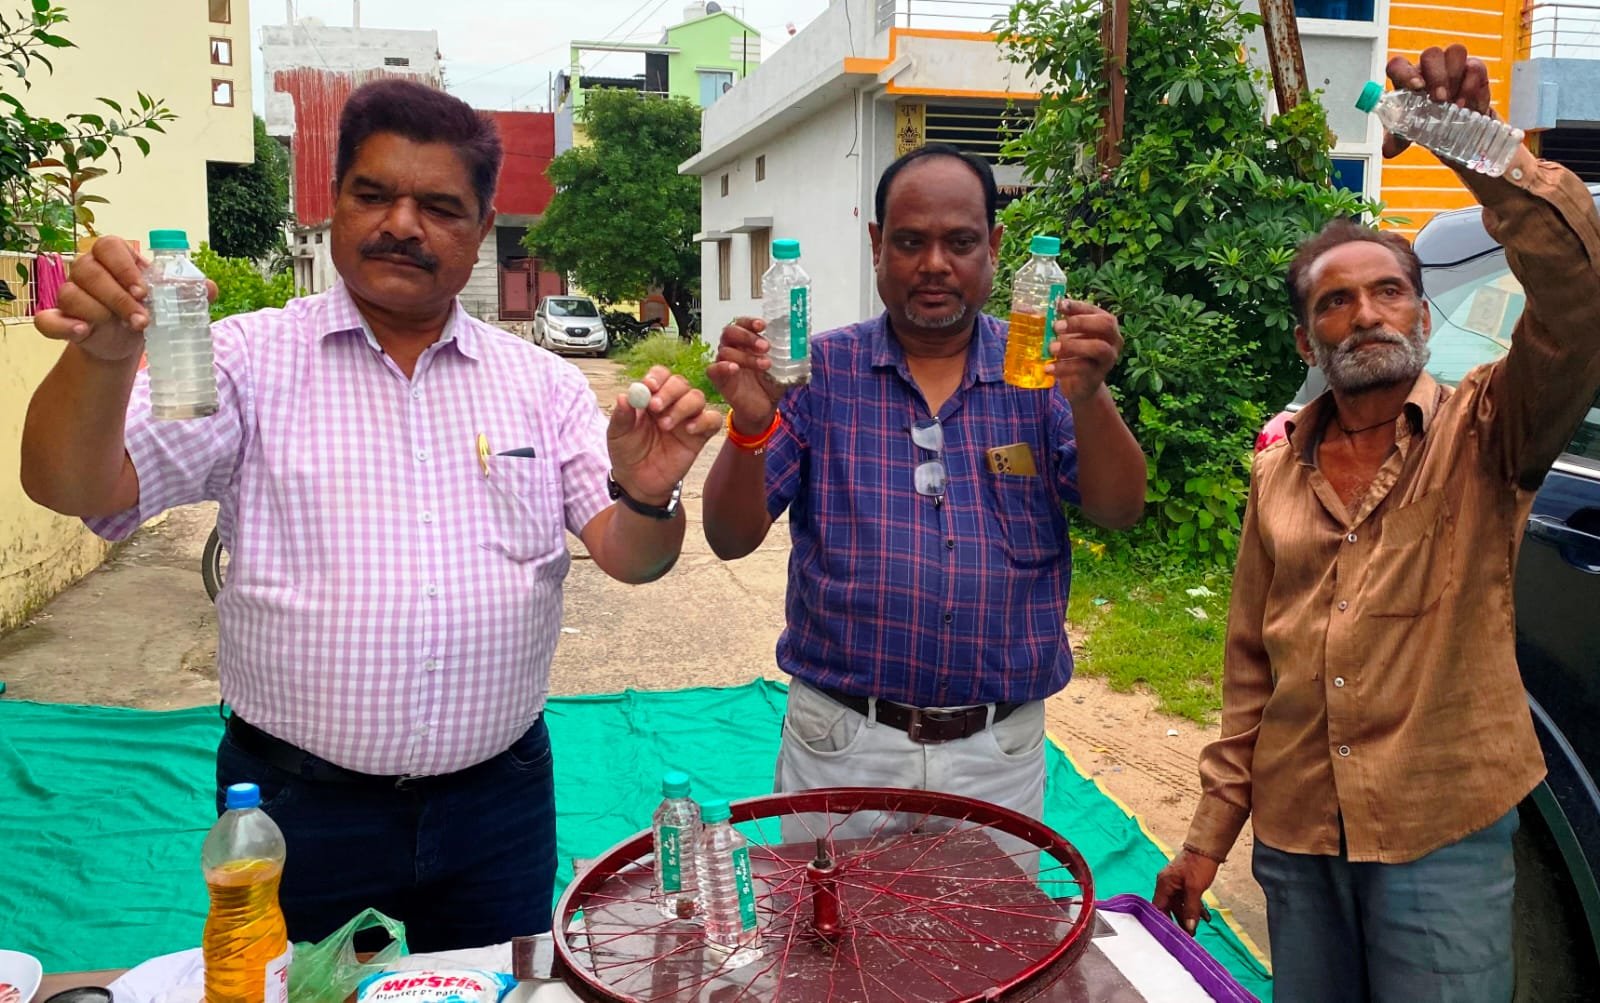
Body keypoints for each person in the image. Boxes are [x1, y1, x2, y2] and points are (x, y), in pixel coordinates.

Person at [19, 79, 720, 951]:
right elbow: (78, 486)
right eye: (374, 194)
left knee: (492, 984)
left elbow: (633, 556)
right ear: (332, 204)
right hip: (295, 810)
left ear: (480, 228)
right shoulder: (248, 359)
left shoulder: (540, 385)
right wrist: (104, 358)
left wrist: (647, 492)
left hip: (495, 806)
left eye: (439, 205)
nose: (402, 224)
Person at [1154, 45, 1600, 1000]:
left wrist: (1479, 150)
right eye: (1335, 301)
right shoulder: (1277, 473)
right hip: (1297, 841)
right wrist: (1205, 841)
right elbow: (1250, 673)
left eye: (1389, 289)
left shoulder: (1492, 430)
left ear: (1425, 318)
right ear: (1307, 337)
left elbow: (1574, 296)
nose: (1364, 314)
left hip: (1441, 835)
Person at [701, 144, 1148, 819]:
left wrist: (1091, 397)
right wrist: (749, 424)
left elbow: (1120, 508)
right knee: (831, 926)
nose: (935, 263)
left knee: (990, 928)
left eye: (960, 241)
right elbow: (730, 537)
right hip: (845, 743)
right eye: (910, 241)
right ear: (878, 246)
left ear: (994, 247)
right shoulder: (820, 372)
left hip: (996, 750)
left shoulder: (1041, 372)